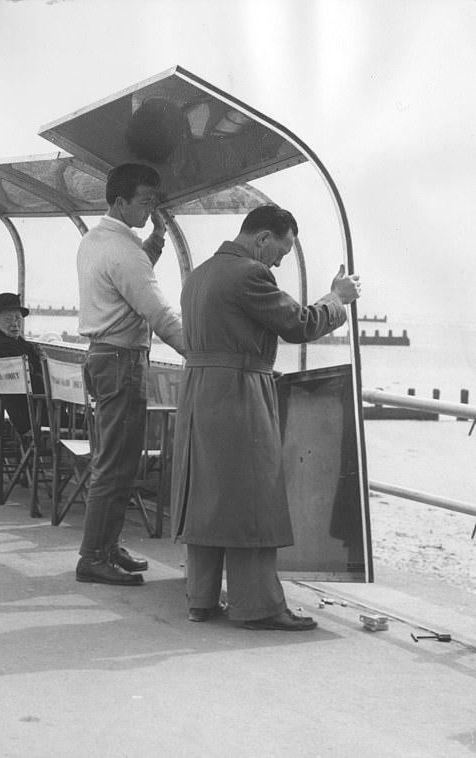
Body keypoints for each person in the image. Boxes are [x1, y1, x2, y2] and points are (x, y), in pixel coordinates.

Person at [171, 203, 361, 631]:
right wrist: (338, 299)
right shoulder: (250, 274)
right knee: (254, 498)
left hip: (200, 391)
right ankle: (257, 605)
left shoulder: (199, 275)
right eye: (282, 248)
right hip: (239, 393)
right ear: (262, 238)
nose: (280, 259)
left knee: (207, 496)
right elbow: (299, 325)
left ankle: (200, 598)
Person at [75, 163, 186, 586]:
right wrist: (198, 352)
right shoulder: (123, 251)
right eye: (145, 202)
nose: (150, 209)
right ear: (120, 202)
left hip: (104, 357)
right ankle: (94, 557)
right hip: (122, 362)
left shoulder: (96, 240)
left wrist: (156, 239)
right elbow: (158, 311)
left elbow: (130, 276)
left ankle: (106, 545)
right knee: (116, 465)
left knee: (114, 460)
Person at [0, 292, 44, 435]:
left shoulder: (8, 342)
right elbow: (34, 383)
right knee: (90, 423)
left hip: (24, 412)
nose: (15, 323)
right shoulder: (5, 348)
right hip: (33, 417)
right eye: (8, 319)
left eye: (18, 318)